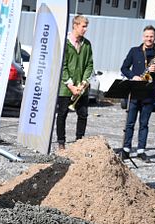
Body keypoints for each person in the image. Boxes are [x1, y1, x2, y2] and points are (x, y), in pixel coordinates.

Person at [120, 25, 155, 162]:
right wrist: (133, 76)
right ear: (143, 37)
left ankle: (141, 150)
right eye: (147, 36)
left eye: (151, 36)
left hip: (149, 93)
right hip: (135, 91)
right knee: (129, 123)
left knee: (144, 124)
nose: (149, 39)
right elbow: (124, 68)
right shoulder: (134, 51)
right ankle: (126, 149)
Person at [55, 14, 93, 152]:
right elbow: (62, 65)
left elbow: (89, 64)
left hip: (82, 88)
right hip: (66, 88)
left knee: (83, 114)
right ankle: (61, 142)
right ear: (75, 26)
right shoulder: (65, 43)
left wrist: (83, 82)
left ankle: (79, 141)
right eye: (83, 26)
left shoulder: (87, 44)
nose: (85, 29)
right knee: (62, 114)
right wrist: (70, 85)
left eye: (86, 26)